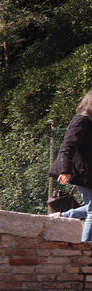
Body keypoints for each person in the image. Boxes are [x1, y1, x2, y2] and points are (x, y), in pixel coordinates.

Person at [50, 90, 92, 241]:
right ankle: (87, 251)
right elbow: (67, 146)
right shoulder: (81, 121)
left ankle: (64, 215)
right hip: (82, 173)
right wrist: (65, 170)